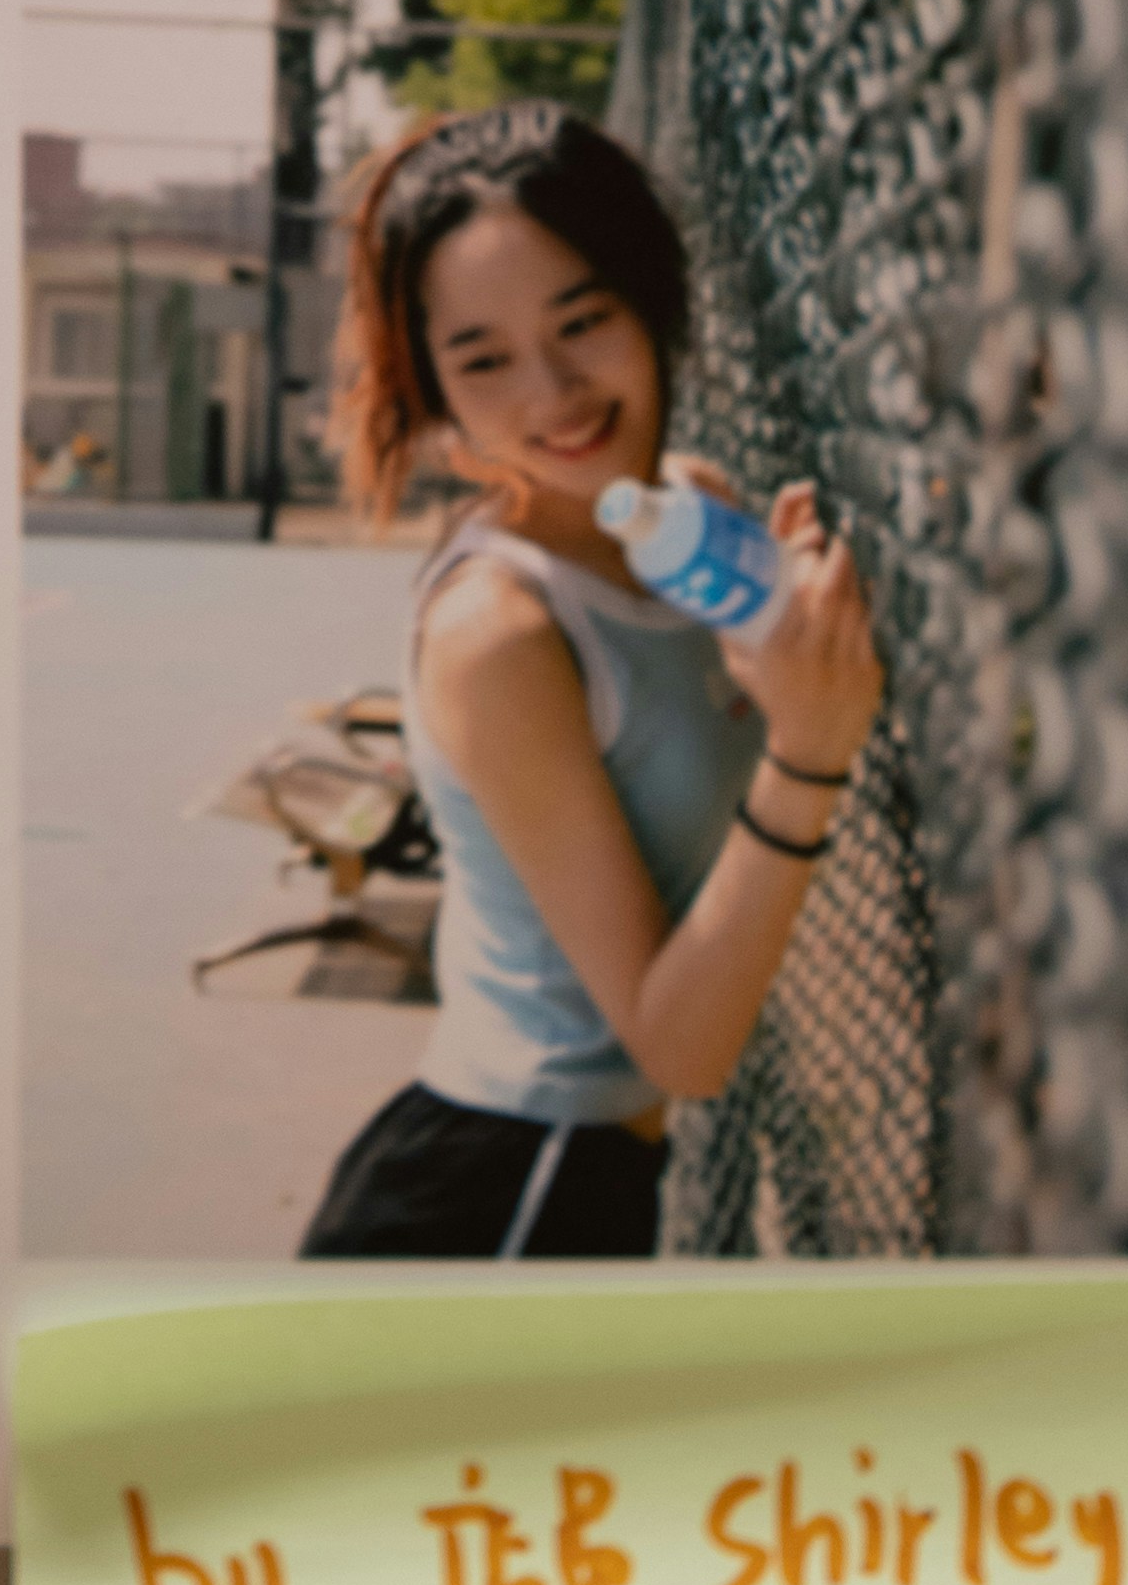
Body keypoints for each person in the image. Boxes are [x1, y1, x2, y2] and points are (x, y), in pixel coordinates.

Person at [299, 100, 881, 1260]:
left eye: (583, 320)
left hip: (583, 1173)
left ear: (648, 297)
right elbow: (677, 1047)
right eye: (483, 359)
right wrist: (807, 750)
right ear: (438, 388)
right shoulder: (499, 630)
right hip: (505, 1187)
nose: (553, 392)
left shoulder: (692, 510)